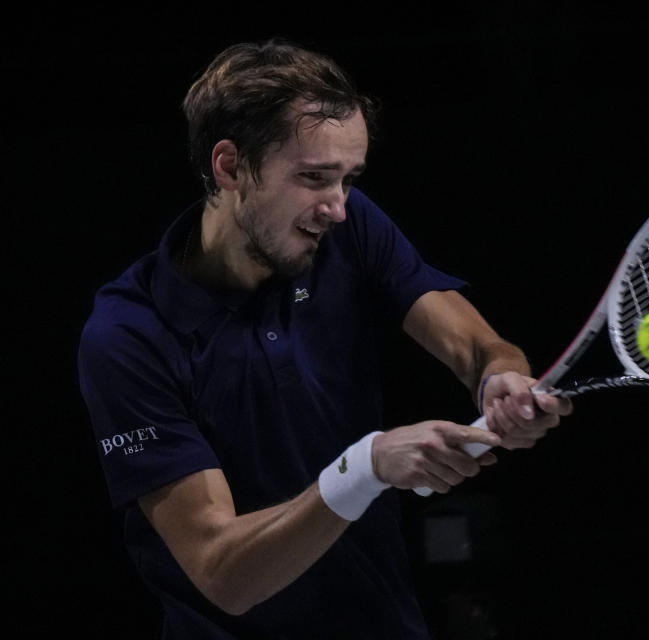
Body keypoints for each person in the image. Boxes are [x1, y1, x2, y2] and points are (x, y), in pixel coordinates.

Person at [77, 38, 572, 638]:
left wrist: (502, 382)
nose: (337, 207)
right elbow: (223, 572)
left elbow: (477, 349)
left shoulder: (351, 226)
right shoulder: (129, 336)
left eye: (348, 178)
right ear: (229, 166)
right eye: (314, 177)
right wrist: (365, 465)